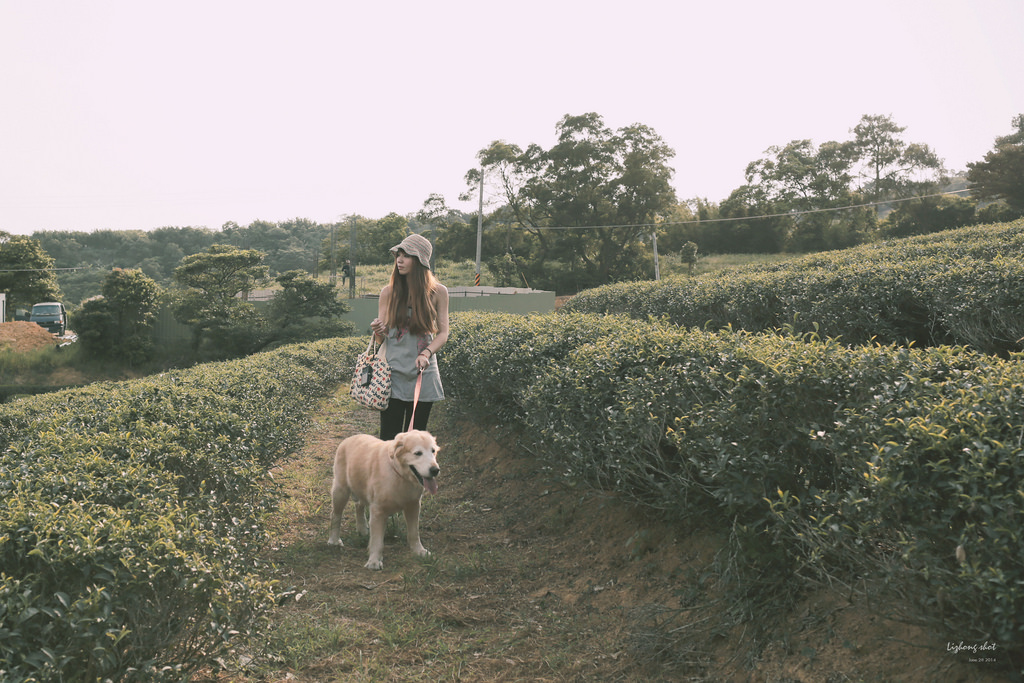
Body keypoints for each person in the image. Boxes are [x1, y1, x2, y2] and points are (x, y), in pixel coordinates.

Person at [370, 234, 449, 441]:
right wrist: (378, 329)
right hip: (392, 375)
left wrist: (426, 353)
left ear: (420, 260)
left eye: (406, 255)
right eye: (398, 255)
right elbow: (381, 340)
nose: (399, 260)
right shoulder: (388, 292)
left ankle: (412, 475)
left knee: (415, 441)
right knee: (389, 440)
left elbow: (443, 333)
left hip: (423, 372)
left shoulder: (438, 292)